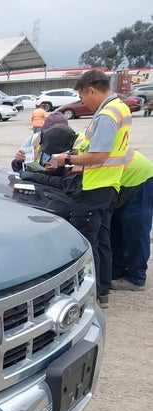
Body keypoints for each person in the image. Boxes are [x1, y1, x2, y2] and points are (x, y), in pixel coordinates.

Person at [47, 69, 133, 308]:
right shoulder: (120, 108)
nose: (83, 102)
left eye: (83, 97)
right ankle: (102, 290)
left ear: (91, 90)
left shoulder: (107, 114)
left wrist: (67, 160)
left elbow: (99, 155)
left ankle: (89, 293)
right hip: (107, 185)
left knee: (84, 242)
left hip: (94, 187)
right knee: (102, 241)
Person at [111, 149, 153, 291]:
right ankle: (117, 271)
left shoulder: (76, 155)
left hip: (139, 178)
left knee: (135, 229)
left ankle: (136, 277)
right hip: (125, 178)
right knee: (115, 225)